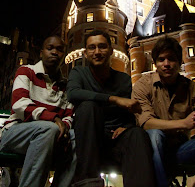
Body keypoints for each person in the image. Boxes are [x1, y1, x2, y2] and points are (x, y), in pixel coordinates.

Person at [67, 30, 156, 187]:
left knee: (137, 134)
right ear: (86, 53)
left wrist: (127, 127)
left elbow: (130, 113)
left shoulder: (123, 79)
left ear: (111, 51)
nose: (97, 52)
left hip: (115, 141)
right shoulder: (78, 72)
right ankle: (88, 183)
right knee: (88, 107)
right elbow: (73, 94)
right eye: (91, 48)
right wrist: (113, 99)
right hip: (88, 141)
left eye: (102, 47)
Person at [0, 35, 75, 187]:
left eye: (60, 50)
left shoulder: (67, 85)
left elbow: (68, 116)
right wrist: (54, 119)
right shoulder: (26, 71)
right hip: (14, 133)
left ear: (64, 56)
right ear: (41, 53)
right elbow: (20, 104)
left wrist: (64, 128)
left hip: (51, 137)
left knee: (77, 137)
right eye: (50, 48)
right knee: (48, 129)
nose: (54, 52)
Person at [132, 36, 195, 187]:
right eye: (161, 59)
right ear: (155, 63)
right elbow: (147, 123)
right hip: (152, 149)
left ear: (180, 62)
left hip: (181, 150)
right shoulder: (143, 85)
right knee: (154, 135)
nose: (166, 64)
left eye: (171, 59)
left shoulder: (193, 88)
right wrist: (184, 123)